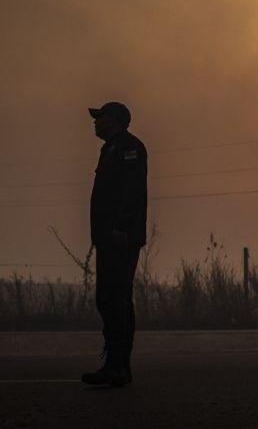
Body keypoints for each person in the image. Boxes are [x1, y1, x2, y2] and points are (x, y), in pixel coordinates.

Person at [81, 101, 148, 386]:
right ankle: (114, 363)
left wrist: (122, 226)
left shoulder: (130, 147)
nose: (96, 123)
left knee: (117, 298)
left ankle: (119, 365)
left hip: (122, 237)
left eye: (101, 118)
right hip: (108, 237)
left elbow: (133, 190)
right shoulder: (110, 148)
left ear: (116, 119)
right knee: (107, 299)